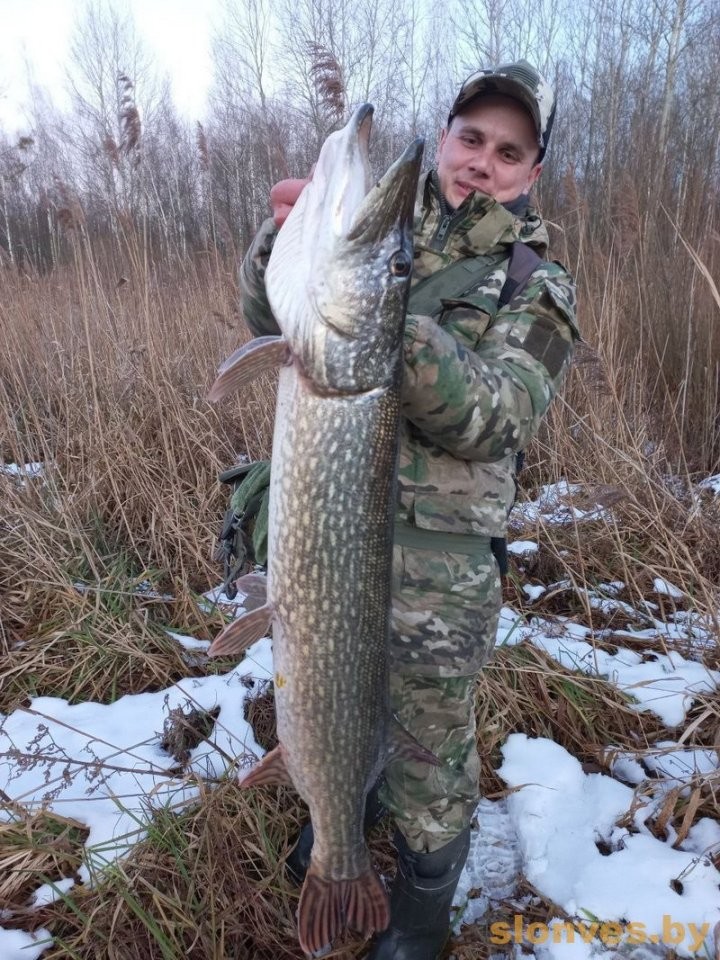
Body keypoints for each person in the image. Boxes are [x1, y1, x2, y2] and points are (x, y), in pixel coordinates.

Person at [238, 60, 579, 959]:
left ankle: (421, 915)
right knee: (326, 712)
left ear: (530, 172)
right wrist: (281, 245)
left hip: (441, 578)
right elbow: (261, 310)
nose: (482, 162)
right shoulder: (380, 235)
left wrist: (391, 325)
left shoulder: (534, 284)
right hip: (331, 555)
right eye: (471, 139)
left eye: (508, 152)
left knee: (429, 757)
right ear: (444, 140)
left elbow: (499, 413)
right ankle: (338, 827)